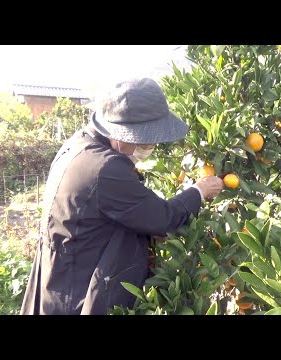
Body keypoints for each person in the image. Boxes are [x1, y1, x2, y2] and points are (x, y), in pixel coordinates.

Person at [20, 78, 224, 315]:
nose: (149, 145)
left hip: (60, 278)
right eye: (143, 139)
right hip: (77, 293)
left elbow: (110, 213)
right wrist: (199, 191)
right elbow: (161, 217)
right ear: (118, 134)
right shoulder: (105, 168)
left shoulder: (79, 145)